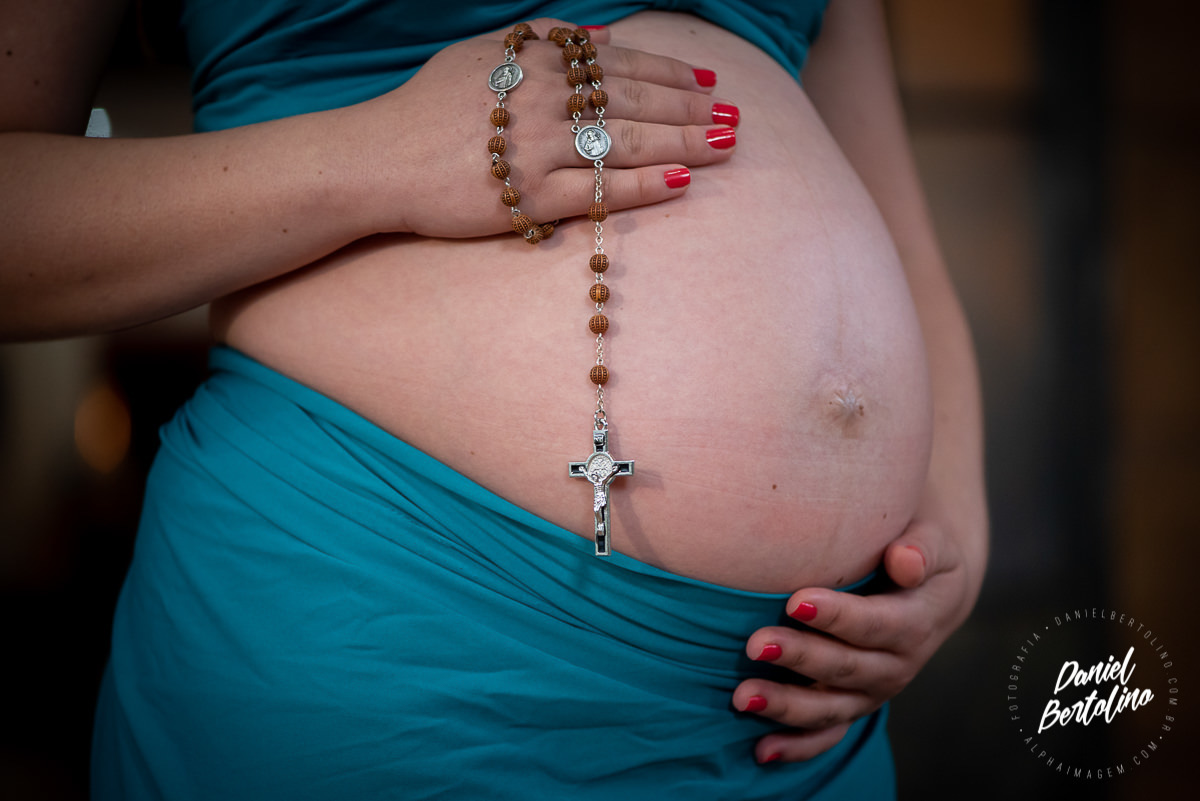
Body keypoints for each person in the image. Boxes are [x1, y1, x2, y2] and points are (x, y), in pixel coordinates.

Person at [1, 0, 988, 797]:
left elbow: (888, 196)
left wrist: (953, 512)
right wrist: (372, 157)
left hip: (797, 708)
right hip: (390, 622)